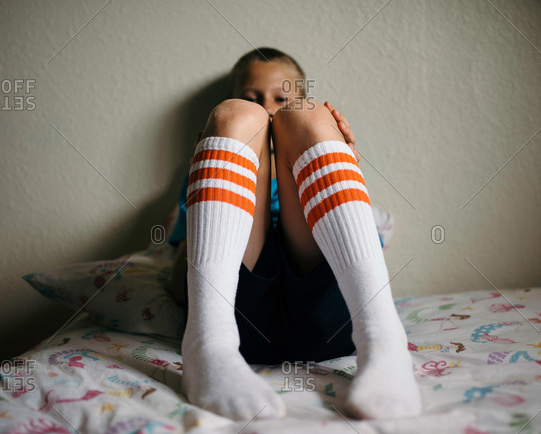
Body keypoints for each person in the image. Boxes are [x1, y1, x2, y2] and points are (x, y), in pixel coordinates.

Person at [169, 47, 421, 420]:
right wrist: (210, 173)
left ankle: (385, 344)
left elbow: (367, 251)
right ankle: (209, 347)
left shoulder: (304, 135)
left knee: (308, 114)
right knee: (233, 117)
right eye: (252, 97)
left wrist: (335, 158)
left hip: (325, 317)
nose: (268, 109)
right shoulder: (202, 181)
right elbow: (177, 285)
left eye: (280, 98)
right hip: (239, 318)